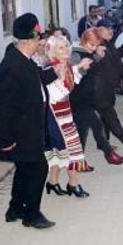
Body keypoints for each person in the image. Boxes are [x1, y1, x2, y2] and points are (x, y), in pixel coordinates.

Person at [0, 13, 58, 229]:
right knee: (39, 169)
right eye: (39, 39)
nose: (41, 43)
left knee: (24, 169)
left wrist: (57, 71)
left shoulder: (22, 59)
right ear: (29, 40)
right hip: (21, 131)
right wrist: (5, 139)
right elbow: (2, 107)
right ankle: (31, 214)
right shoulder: (11, 66)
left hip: (30, 127)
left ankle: (15, 208)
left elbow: (38, 80)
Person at [43, 35, 93, 198]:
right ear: (52, 52)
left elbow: (71, 80)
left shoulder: (65, 66)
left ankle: (52, 182)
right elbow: (55, 93)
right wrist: (75, 69)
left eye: (66, 46)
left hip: (65, 113)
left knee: (60, 151)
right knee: (70, 149)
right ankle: (73, 184)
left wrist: (79, 67)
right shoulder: (51, 68)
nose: (66, 49)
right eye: (61, 47)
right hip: (55, 115)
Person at [71, 28, 123, 165]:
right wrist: (83, 67)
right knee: (95, 126)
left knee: (83, 132)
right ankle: (108, 153)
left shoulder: (87, 52)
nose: (93, 48)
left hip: (87, 98)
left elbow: (92, 65)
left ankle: (79, 163)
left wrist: (97, 57)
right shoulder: (76, 53)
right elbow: (73, 77)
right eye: (91, 44)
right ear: (84, 40)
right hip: (78, 99)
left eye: (96, 45)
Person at [85, 18, 123, 151]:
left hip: (107, 87)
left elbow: (114, 57)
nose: (111, 31)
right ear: (99, 30)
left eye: (112, 28)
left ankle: (104, 143)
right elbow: (90, 63)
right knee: (110, 115)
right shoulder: (95, 45)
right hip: (99, 89)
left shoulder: (108, 43)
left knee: (105, 118)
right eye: (107, 28)